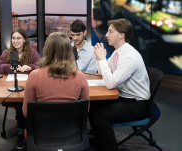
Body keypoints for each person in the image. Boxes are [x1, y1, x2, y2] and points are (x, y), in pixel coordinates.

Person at [90, 18, 151, 151]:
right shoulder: (118, 52)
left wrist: (101, 59)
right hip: (124, 98)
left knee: (99, 115)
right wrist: (99, 59)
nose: (106, 35)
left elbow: (111, 83)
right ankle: (99, 139)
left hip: (137, 105)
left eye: (110, 32)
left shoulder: (129, 57)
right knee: (92, 105)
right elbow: (103, 71)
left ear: (122, 35)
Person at [22, 31, 89, 119]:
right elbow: (85, 110)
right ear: (69, 51)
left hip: (42, 130)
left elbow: (27, 113)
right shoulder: (80, 76)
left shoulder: (34, 75)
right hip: (72, 130)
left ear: (47, 50)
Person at [0, 28, 40, 149]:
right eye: (13, 38)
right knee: (18, 99)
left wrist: (28, 67)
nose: (15, 41)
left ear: (25, 39)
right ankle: (21, 131)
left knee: (24, 100)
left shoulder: (32, 52)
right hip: (12, 85)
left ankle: (28, 126)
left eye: (18, 38)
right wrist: (13, 67)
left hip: (29, 85)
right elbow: (0, 66)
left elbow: (40, 64)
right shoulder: (7, 52)